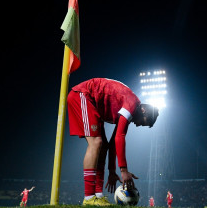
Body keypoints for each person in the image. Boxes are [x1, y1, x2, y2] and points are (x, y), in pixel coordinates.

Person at [67, 78, 159, 206]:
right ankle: (88, 197)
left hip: (92, 102)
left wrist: (112, 171)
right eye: (142, 122)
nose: (138, 125)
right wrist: (124, 171)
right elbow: (119, 137)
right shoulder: (131, 103)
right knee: (96, 143)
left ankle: (98, 196)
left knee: (103, 145)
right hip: (82, 95)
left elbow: (113, 143)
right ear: (143, 111)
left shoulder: (128, 108)